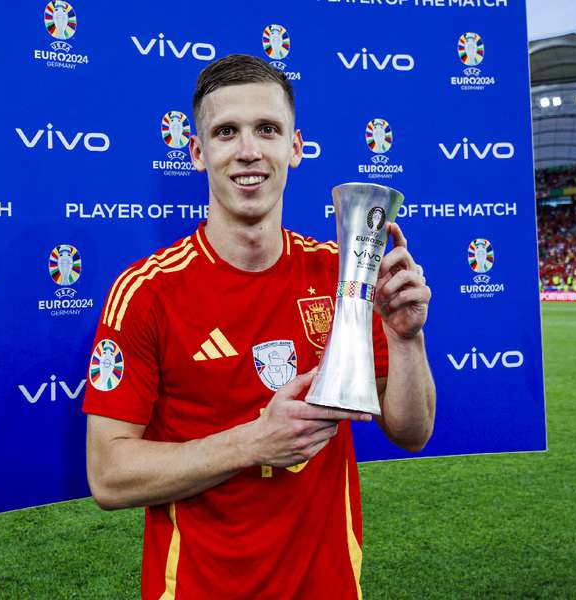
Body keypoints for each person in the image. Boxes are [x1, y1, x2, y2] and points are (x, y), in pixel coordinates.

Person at [82, 54, 435, 599]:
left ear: (295, 147)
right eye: (226, 133)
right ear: (198, 154)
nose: (249, 151)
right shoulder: (148, 291)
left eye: (267, 130)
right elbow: (108, 475)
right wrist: (254, 443)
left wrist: (405, 339)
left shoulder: (339, 274)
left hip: (330, 585)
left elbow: (412, 432)